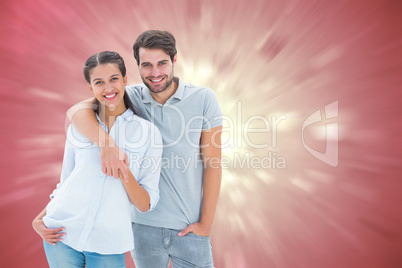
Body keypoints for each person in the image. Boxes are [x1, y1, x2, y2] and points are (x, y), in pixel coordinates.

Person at [68, 30, 222, 268]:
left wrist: (206, 225)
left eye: (162, 63)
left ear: (174, 60)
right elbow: (77, 111)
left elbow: (213, 162)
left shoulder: (204, 98)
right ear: (137, 67)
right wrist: (107, 144)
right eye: (147, 65)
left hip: (190, 229)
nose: (156, 73)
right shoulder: (128, 96)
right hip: (142, 229)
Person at [32, 51, 163, 268]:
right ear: (90, 88)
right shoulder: (79, 128)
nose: (108, 88)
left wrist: (122, 168)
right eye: (99, 82)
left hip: (108, 242)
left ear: (125, 80)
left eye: (114, 79)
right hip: (62, 234)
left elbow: (145, 203)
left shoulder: (148, 133)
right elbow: (67, 183)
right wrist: (41, 218)